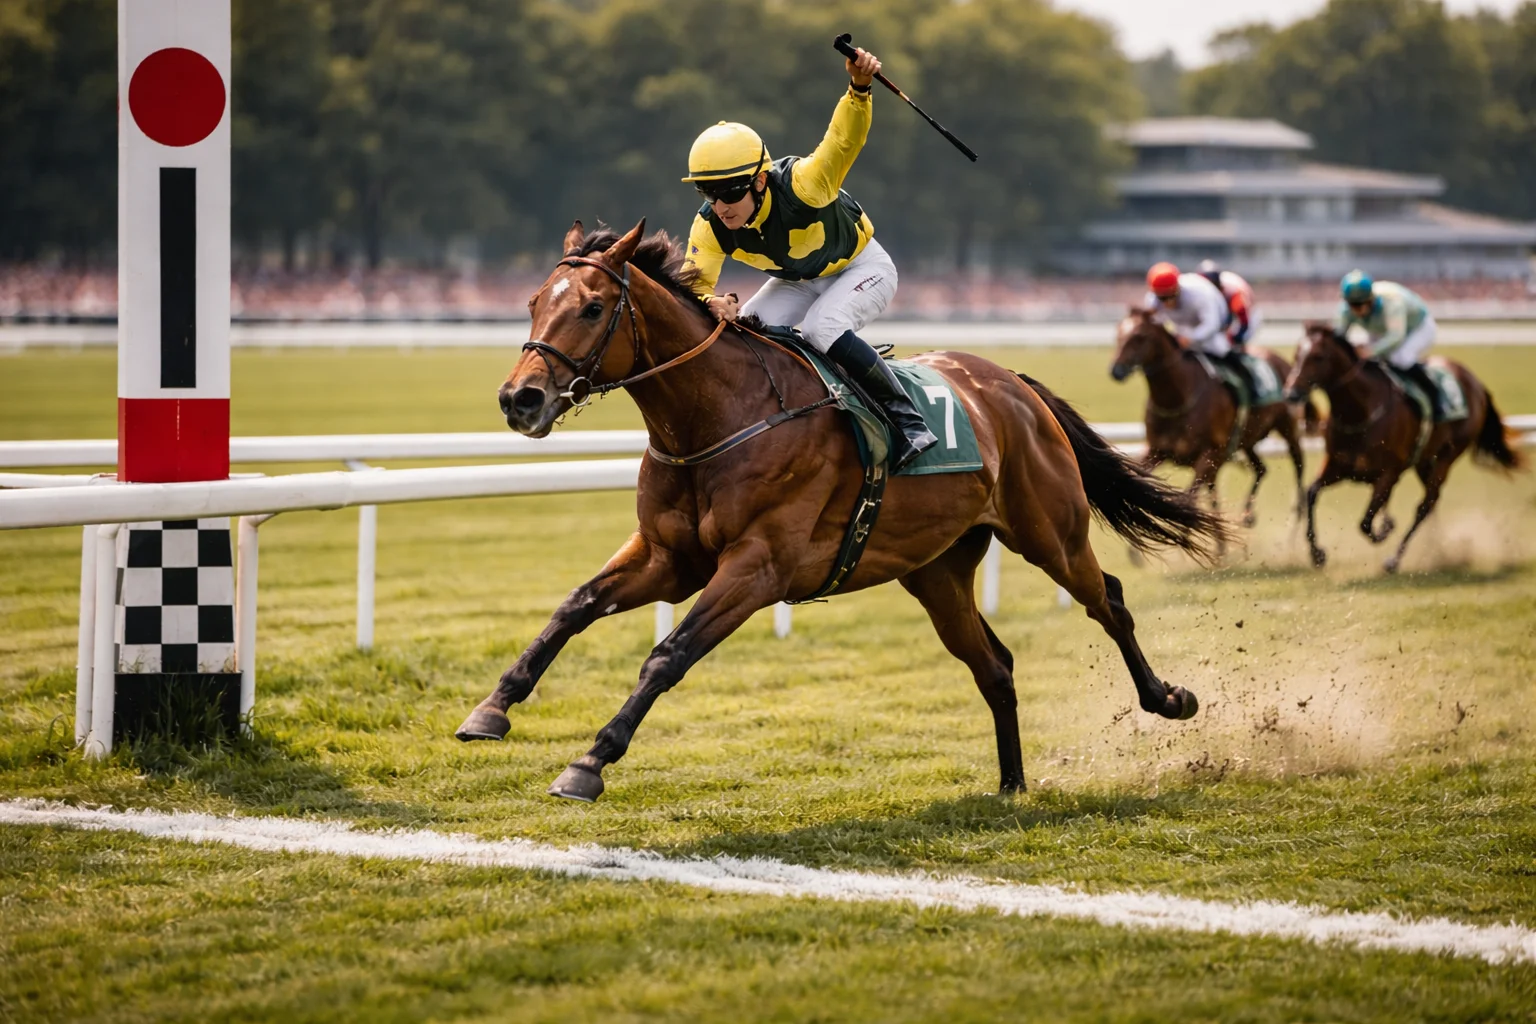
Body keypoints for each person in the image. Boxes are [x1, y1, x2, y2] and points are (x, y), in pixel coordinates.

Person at [679, 45, 937, 470]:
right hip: (798, 280)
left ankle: (908, 422)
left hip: (862, 267)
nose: (720, 206)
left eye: (729, 192)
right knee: (746, 335)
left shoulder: (804, 186)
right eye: (708, 193)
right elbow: (694, 284)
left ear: (761, 181)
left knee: (823, 327)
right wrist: (711, 302)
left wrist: (859, 87)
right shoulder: (709, 226)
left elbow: (842, 142)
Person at [1335, 270, 1441, 419]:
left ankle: (1434, 394)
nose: (1354, 310)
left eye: (1358, 305)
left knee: (1400, 358)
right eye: (1350, 304)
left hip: (1418, 327)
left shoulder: (1391, 302)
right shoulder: (1347, 309)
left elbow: (1396, 337)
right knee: (1369, 360)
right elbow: (1339, 335)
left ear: (1371, 299)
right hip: (1383, 328)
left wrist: (1370, 350)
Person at [1144, 261, 1257, 401]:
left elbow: (1212, 324)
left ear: (1178, 287)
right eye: (1162, 298)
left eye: (1171, 296)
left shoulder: (1199, 294)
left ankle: (1251, 386)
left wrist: (1190, 338)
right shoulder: (1152, 300)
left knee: (1222, 350)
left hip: (1213, 330)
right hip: (1182, 329)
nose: (1167, 303)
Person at [1197, 259, 1263, 348]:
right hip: (1231, 314)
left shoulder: (1232, 293)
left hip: (1248, 316)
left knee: (1230, 345)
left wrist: (1234, 338)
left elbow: (1243, 321)